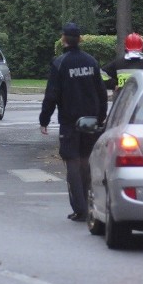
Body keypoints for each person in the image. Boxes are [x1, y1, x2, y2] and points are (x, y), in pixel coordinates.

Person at [39, 22, 108, 222]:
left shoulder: (60, 63)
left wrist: (44, 119)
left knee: (72, 163)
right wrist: (101, 116)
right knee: (87, 162)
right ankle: (90, 203)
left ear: (63, 39)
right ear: (80, 39)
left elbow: (52, 95)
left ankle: (79, 208)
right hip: (90, 122)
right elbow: (101, 92)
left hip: (69, 123)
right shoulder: (91, 62)